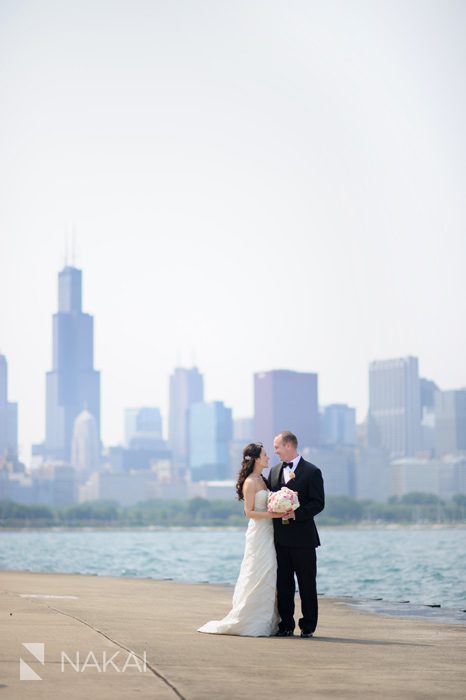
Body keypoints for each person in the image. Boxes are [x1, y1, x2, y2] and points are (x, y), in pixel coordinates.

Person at [197, 442, 294, 637]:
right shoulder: (250, 482)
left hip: (270, 532)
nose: (268, 457)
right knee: (257, 572)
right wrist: (276, 516)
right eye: (265, 455)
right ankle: (251, 619)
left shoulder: (263, 480)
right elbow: (249, 512)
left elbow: (269, 503)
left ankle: (267, 620)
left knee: (268, 574)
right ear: (257, 459)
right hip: (259, 532)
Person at [268, 430, 325, 638]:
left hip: (304, 539)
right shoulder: (274, 472)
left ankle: (308, 626)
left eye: (277, 447)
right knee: (283, 584)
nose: (275, 451)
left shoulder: (312, 471)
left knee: (307, 583)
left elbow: (319, 503)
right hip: (280, 539)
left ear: (289, 446)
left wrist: (296, 513)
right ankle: (286, 625)